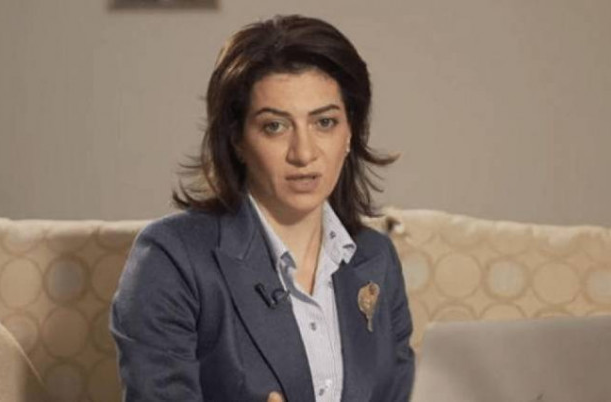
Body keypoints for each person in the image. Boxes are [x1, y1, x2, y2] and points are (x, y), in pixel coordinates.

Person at [110, 14, 415, 402]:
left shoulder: (377, 258)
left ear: (350, 131)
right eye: (275, 126)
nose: (303, 153)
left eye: (324, 122)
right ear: (236, 138)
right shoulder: (172, 257)